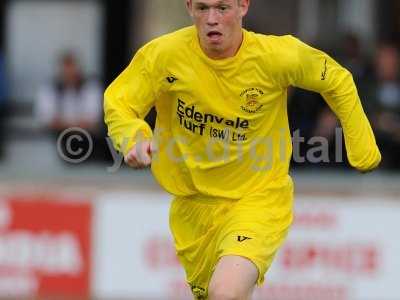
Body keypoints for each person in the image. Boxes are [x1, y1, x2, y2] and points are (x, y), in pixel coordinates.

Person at [104, 0, 381, 299]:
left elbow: (337, 79)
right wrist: (134, 138)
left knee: (225, 292)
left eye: (222, 8)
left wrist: (363, 150)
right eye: (202, 8)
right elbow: (120, 102)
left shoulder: (276, 56)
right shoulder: (163, 55)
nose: (211, 19)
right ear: (189, 8)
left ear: (243, 6)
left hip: (258, 197)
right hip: (193, 206)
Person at [36, 52, 107, 163]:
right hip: (59, 137)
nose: (69, 73)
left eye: (72, 67)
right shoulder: (50, 88)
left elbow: (93, 120)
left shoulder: (91, 87)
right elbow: (47, 120)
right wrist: (73, 126)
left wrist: (67, 125)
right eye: (66, 68)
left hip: (88, 137)